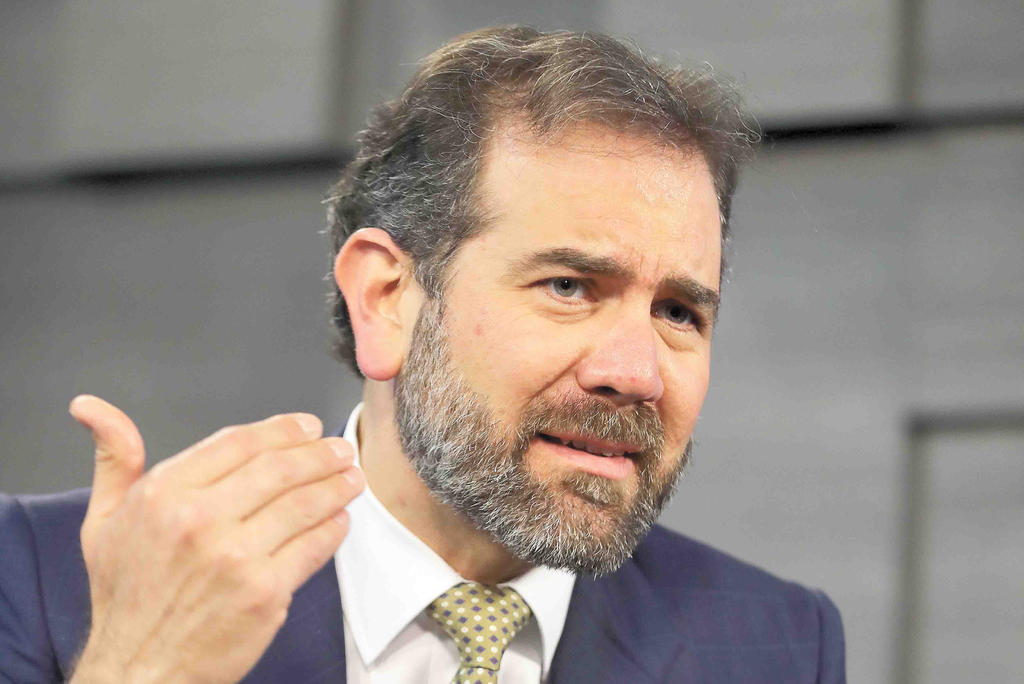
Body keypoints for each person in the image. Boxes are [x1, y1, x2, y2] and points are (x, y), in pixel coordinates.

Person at [0, 26, 845, 683]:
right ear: (386, 299)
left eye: (678, 312)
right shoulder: (43, 577)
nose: (635, 371)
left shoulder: (776, 645)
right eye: (568, 286)